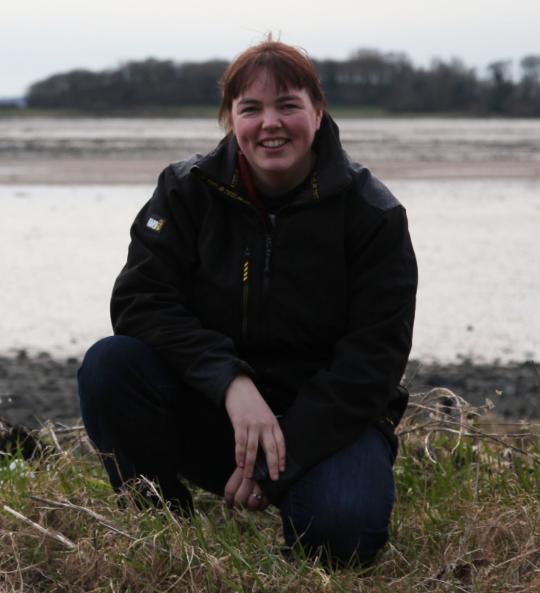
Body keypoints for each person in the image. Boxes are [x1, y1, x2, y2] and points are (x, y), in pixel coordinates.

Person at [78, 37, 418, 566]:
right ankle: (161, 523)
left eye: (288, 105)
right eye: (251, 109)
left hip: (328, 425)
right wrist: (230, 382)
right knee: (110, 364)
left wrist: (277, 461)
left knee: (341, 540)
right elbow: (140, 304)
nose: (270, 124)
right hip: (218, 413)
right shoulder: (186, 190)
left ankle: (301, 502)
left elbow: (374, 361)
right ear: (229, 118)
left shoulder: (373, 214)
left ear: (318, 111)